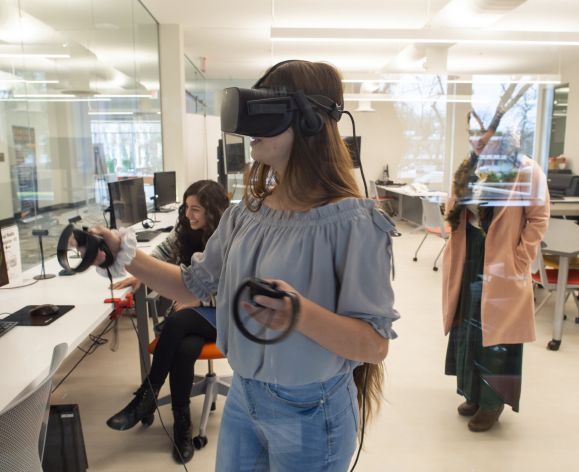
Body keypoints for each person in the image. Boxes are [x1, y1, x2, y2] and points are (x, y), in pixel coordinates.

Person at [93, 60, 399, 471]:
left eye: (267, 112)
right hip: (244, 398)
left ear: (308, 122)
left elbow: (374, 346)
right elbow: (192, 285)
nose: (249, 128)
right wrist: (122, 254)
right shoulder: (246, 214)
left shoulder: (353, 223)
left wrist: (299, 315)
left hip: (311, 412)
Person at [442, 101, 550, 432]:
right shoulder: (470, 167)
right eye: (475, 132)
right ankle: (472, 392)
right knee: (468, 329)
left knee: (496, 335)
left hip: (503, 262)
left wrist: (519, 258)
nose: (480, 138)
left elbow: (538, 218)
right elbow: (455, 206)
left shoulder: (525, 170)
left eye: (486, 131)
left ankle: (492, 403)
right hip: (470, 255)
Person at [106, 179, 229, 464]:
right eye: (187, 208)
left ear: (213, 210)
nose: (189, 215)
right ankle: (182, 427)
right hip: (192, 319)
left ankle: (146, 397)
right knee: (184, 348)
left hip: (223, 315)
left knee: (176, 324)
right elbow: (159, 256)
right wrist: (142, 273)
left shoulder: (228, 238)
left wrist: (199, 299)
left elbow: (234, 290)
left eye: (196, 209)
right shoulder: (183, 230)